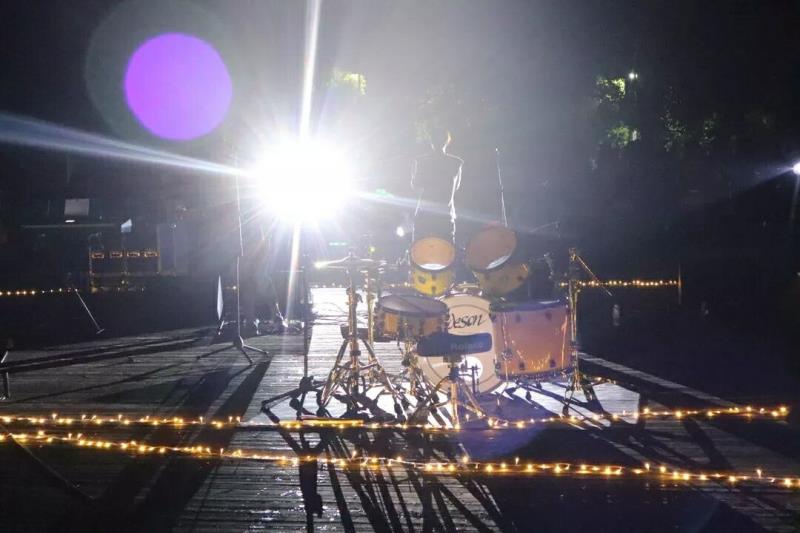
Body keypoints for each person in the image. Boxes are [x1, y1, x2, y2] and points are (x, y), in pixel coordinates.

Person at [411, 128, 464, 243]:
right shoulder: (456, 163)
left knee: (421, 247)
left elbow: (415, 185)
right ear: (447, 141)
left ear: (431, 141)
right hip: (445, 214)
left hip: (425, 214)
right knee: (446, 248)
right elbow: (457, 187)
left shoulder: (420, 161)